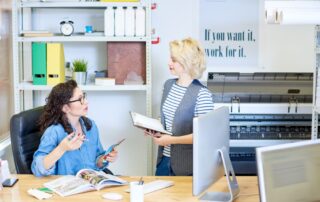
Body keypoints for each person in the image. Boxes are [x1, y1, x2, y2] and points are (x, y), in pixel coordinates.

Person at [145, 38, 214, 176]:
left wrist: (170, 140)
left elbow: (204, 135)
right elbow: (167, 120)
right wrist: (155, 129)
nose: (169, 63)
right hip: (163, 161)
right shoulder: (168, 85)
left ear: (186, 62)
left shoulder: (202, 94)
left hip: (186, 167)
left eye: (174, 60)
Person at [31, 80, 117, 177]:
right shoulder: (54, 132)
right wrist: (62, 148)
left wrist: (105, 158)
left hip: (90, 185)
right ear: (65, 108)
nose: (86, 102)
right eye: (80, 99)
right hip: (65, 188)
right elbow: (38, 169)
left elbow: (97, 160)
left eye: (84, 97)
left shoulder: (90, 126)